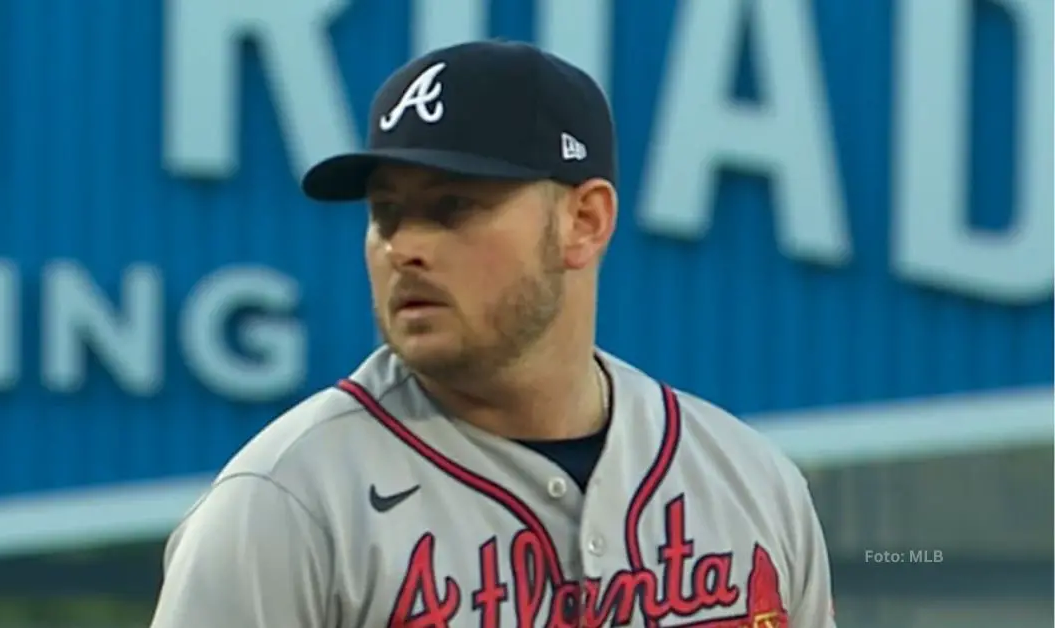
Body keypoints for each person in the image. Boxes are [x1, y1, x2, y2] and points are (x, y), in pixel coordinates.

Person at [149, 39, 838, 627]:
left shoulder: (749, 483)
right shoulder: (285, 507)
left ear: (585, 222)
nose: (404, 247)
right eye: (387, 214)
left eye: (452, 209)